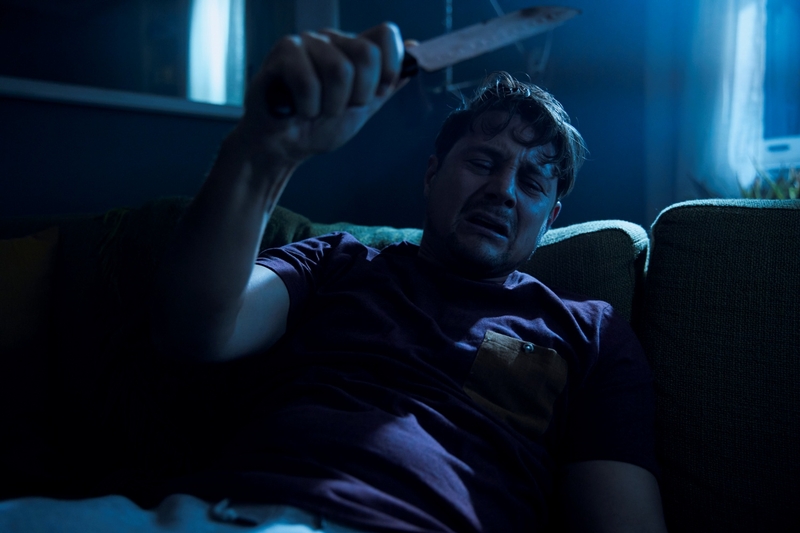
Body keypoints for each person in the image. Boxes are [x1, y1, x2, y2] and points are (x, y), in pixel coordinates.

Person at [0, 22, 667, 533]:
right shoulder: (337, 260)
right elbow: (196, 330)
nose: (502, 190)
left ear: (551, 217)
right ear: (432, 172)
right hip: (220, 514)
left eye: (531, 181)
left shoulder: (590, 334)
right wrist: (266, 151)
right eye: (483, 162)